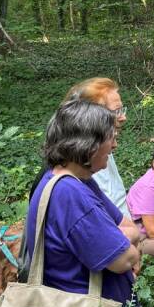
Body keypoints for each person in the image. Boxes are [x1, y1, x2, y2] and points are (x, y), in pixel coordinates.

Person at [26, 99, 146, 307]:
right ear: (88, 145)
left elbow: (126, 226)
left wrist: (125, 240)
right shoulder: (70, 194)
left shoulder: (74, 180)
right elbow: (122, 257)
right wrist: (130, 248)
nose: (114, 142)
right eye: (109, 137)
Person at [64, 77, 132, 217]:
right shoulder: (80, 165)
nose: (123, 117)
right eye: (117, 111)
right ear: (91, 116)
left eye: (122, 110)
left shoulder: (103, 146)